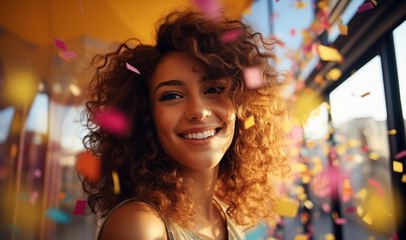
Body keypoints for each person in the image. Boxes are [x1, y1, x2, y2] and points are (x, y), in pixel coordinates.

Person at [80, 8, 289, 240]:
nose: (199, 111)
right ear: (145, 116)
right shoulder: (141, 227)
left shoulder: (222, 212)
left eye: (213, 89)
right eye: (172, 96)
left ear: (242, 105)